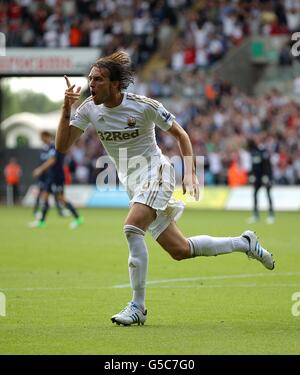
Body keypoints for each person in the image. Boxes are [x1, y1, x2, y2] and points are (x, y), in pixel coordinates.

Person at [55, 51, 275, 326]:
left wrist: (191, 173)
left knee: (132, 228)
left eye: (98, 79)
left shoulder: (143, 105)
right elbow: (62, 146)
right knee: (180, 250)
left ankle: (137, 307)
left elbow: (180, 134)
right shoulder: (88, 109)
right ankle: (244, 243)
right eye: (90, 79)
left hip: (157, 172)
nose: (91, 84)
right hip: (134, 185)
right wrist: (66, 109)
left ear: (114, 84)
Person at [30, 131, 83, 229]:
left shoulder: (56, 146)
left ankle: (78, 218)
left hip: (57, 177)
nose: (41, 140)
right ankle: (41, 222)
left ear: (47, 136)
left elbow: (52, 160)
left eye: (42, 138)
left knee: (61, 199)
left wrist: (40, 169)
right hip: (50, 177)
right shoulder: (47, 148)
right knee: (45, 197)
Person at [246, 137, 275, 224]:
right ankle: (256, 216)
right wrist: (252, 175)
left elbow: (267, 164)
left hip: (264, 176)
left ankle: (271, 215)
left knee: (268, 195)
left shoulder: (262, 151)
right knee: (255, 195)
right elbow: (253, 166)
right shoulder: (252, 153)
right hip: (257, 177)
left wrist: (266, 176)